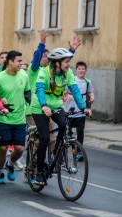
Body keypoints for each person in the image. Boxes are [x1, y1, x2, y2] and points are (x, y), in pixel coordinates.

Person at [31, 48, 91, 185]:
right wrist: (44, 106)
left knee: (64, 126)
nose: (69, 64)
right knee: (45, 138)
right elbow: (39, 89)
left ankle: (54, 155)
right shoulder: (44, 71)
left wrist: (83, 107)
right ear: (57, 63)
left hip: (57, 105)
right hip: (40, 107)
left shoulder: (68, 73)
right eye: (66, 61)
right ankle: (39, 172)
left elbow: (75, 90)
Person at [0, 50, 31, 184]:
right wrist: (0, 103)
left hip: (19, 118)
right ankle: (0, 172)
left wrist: (28, 100)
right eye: (19, 61)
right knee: (3, 148)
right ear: (10, 62)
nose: (21, 64)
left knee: (20, 148)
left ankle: (11, 163)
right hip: (3, 118)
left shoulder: (23, 76)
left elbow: (27, 91)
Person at [64, 61, 95, 148]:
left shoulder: (87, 81)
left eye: (83, 69)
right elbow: (64, 92)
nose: (81, 71)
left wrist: (92, 97)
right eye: (79, 69)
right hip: (69, 110)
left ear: (86, 70)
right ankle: (65, 147)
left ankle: (79, 151)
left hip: (81, 111)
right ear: (76, 70)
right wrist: (70, 96)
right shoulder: (71, 80)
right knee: (67, 131)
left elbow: (90, 91)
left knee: (80, 131)